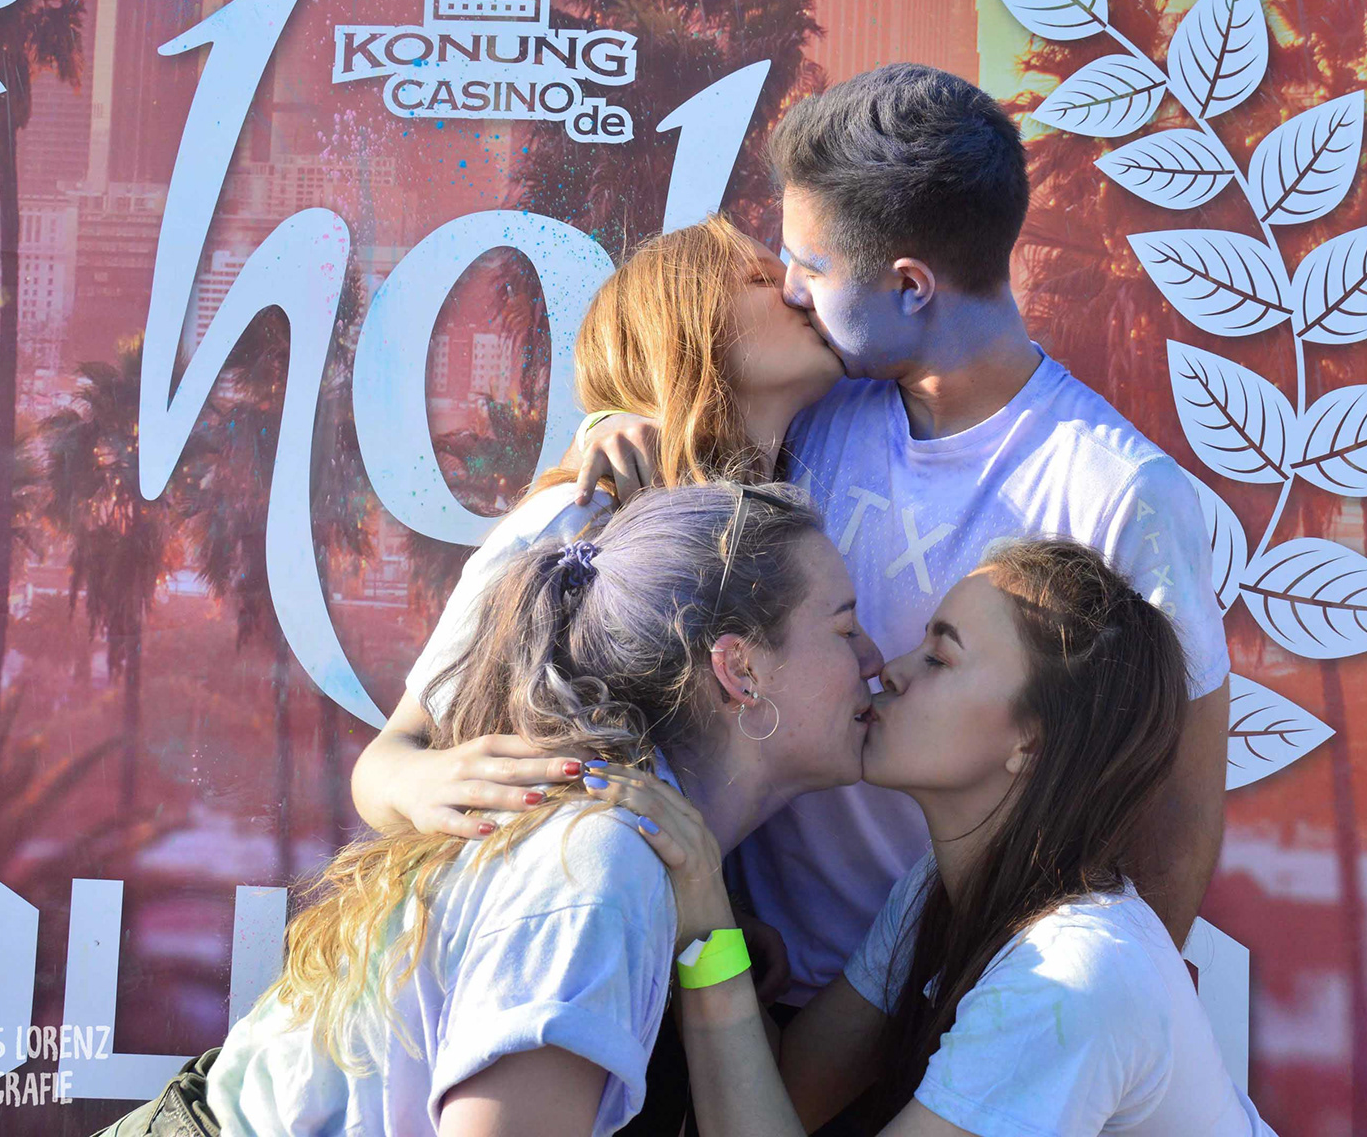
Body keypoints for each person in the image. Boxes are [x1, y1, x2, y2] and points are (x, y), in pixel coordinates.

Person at [575, 63, 1231, 1007]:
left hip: (953, 1013)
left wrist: (1069, 1033)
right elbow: (673, 435)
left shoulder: (1121, 491)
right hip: (734, 978)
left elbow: (1176, 818)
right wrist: (607, 426)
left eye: (811, 268)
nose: (790, 291)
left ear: (911, 285)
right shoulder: (810, 403)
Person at [122, 483, 881, 1137]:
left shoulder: (620, 848)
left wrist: (715, 939)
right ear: (740, 668)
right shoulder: (596, 865)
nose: (876, 660)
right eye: (846, 630)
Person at [590, 540, 1272, 1136]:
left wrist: (705, 922)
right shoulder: (937, 889)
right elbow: (783, 1094)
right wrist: (708, 922)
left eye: (940, 658)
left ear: (1030, 742)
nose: (889, 669)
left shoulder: (1073, 976)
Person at [350, 214, 849, 842]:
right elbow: (390, 755)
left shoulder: (785, 506)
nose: (798, 292)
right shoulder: (585, 509)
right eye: (760, 279)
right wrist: (422, 783)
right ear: (684, 328)